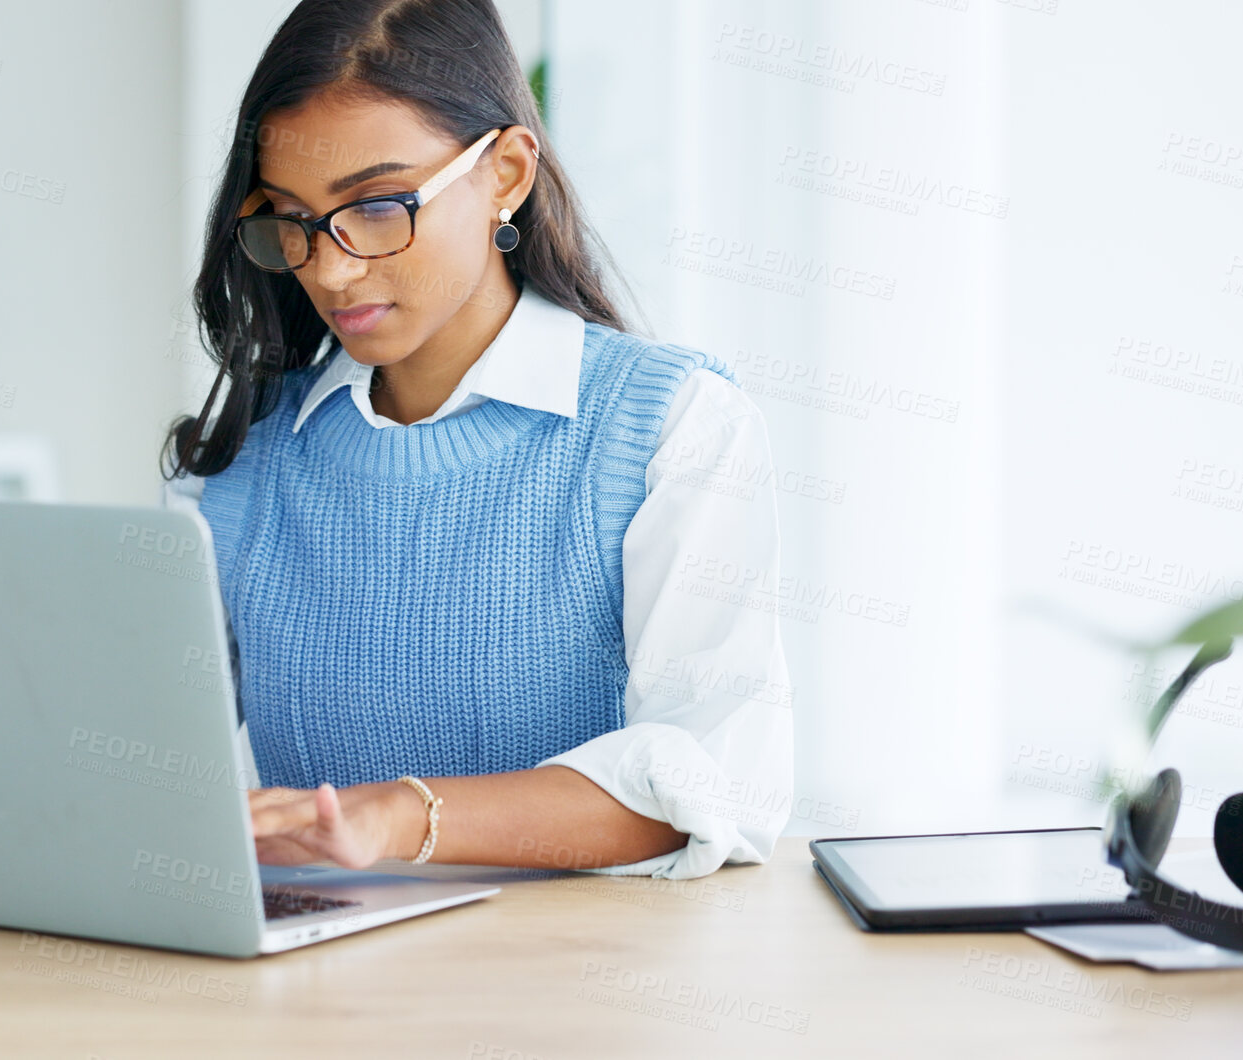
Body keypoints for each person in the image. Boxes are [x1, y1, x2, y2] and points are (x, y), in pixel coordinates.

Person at [162, 0, 791, 879]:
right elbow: (139, 758)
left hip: (576, 993)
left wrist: (401, 817)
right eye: (290, 221)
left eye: (376, 208)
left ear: (504, 171)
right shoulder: (240, 459)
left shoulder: (671, 428)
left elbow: (713, 781)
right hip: (309, 993)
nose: (331, 269)